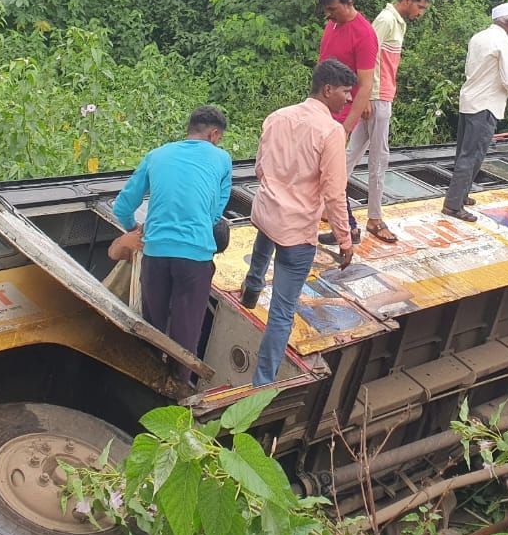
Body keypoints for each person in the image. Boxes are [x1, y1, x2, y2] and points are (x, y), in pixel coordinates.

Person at [244, 60, 357, 386]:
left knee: (266, 237)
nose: (348, 100)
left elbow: (261, 169)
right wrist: (344, 239)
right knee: (281, 312)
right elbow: (335, 193)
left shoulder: (277, 117)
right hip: (296, 231)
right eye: (346, 92)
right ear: (328, 90)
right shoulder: (331, 131)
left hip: (266, 213)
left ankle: (251, 288)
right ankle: (262, 384)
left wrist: (278, 190)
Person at [112, 106, 233, 381]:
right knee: (186, 336)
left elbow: (122, 207)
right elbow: (215, 215)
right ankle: (178, 392)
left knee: (152, 330)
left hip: (155, 253)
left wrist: (135, 231)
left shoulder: (157, 155)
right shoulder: (222, 159)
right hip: (195, 258)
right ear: (214, 134)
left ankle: (146, 383)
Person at [320, 0, 432, 246]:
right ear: (406, 0)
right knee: (376, 159)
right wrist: (367, 97)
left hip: (376, 96)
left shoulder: (394, 23)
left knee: (350, 157)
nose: (420, 12)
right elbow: (369, 63)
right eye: (419, 6)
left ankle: (339, 212)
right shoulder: (384, 21)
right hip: (375, 98)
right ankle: (372, 218)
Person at [442, 3, 508, 222]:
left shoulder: (478, 37)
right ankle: (453, 206)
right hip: (486, 104)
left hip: (469, 100)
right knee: (473, 155)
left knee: (464, 152)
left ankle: (461, 194)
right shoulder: (504, 42)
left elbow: (471, 69)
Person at [316, 0, 380, 244]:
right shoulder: (333, 25)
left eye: (333, 9)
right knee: (323, 170)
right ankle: (347, 226)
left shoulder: (364, 33)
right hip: (322, 105)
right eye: (327, 10)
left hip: (341, 110)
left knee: (332, 172)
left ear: (349, 2)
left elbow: (365, 85)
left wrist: (345, 127)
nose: (328, 15)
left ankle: (349, 228)